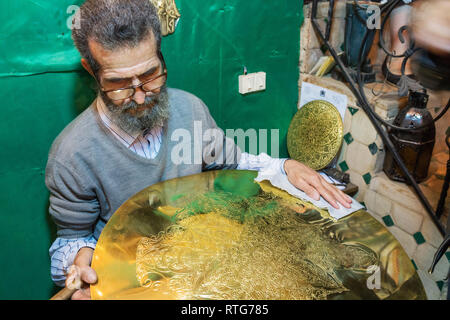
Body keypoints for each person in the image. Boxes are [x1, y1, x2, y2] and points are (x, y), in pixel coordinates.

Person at [46, 0, 352, 300]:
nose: (140, 98)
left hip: (200, 268)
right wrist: (80, 264)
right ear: (91, 69)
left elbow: (235, 162)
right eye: (119, 84)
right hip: (129, 284)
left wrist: (284, 166)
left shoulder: (190, 110)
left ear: (160, 55)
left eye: (151, 75)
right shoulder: (72, 154)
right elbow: (71, 240)